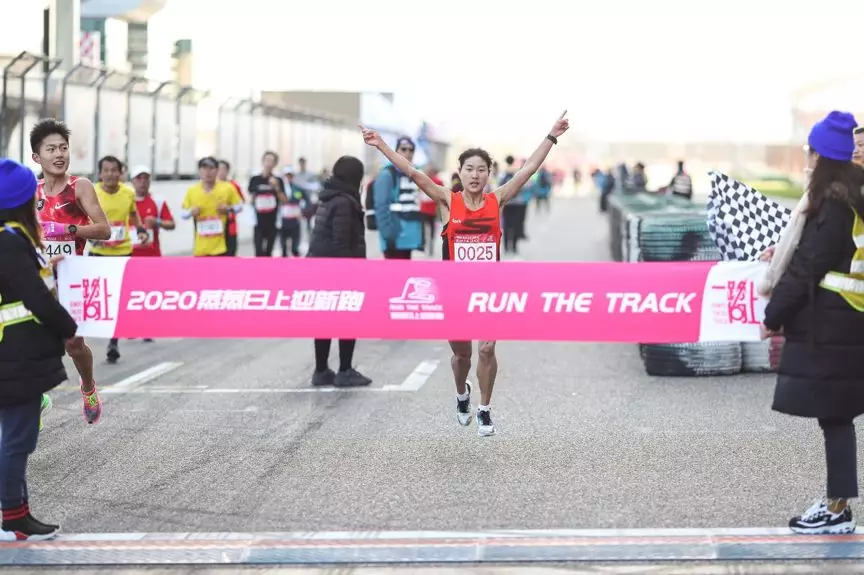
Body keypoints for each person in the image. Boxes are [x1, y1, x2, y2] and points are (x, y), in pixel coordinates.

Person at [361, 111, 569, 436]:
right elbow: (412, 172)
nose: (475, 174)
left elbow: (529, 168)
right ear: (460, 172)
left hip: (489, 291)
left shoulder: (497, 200)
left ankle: (484, 409)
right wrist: (380, 145)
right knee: (462, 356)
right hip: (455, 293)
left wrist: (552, 135)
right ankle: (462, 395)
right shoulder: (447, 200)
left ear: (488, 174)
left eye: (481, 169)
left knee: (487, 349)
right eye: (469, 168)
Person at [759, 111, 864, 534]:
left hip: (835, 323)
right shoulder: (853, 196)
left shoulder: (834, 204)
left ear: (821, 156)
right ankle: (837, 504)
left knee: (835, 415)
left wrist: (773, 316)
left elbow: (808, 266)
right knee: (837, 414)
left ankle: (837, 509)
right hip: (849, 319)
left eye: (810, 150)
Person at [0, 159, 78, 540]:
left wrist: (47, 262)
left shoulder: (12, 239)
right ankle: (12, 516)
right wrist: (69, 327)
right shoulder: (10, 242)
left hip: (14, 355)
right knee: (18, 439)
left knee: (15, 437)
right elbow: (35, 297)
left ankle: (18, 513)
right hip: (15, 356)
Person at [29, 118, 109, 425]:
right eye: (51, 149)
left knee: (73, 344)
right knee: (29, 340)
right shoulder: (31, 192)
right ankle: (35, 396)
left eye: (63, 147)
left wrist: (69, 229)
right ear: (37, 157)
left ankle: (88, 387)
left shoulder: (80, 187)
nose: (59, 154)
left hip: (73, 278)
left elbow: (104, 230)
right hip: (40, 278)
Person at [306, 156, 372, 388]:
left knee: (324, 319)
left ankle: (321, 370)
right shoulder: (345, 201)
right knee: (347, 317)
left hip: (321, 266)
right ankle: (345, 370)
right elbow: (341, 240)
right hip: (339, 269)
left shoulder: (329, 197)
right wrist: (351, 272)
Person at [91, 156, 149, 363]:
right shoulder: (92, 193)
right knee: (99, 297)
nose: (110, 174)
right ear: (100, 173)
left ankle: (113, 341)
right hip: (98, 253)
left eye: (114, 170)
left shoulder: (128, 192)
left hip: (122, 252)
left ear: (120, 172)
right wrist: (90, 235)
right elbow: (81, 218)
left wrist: (141, 230)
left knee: (117, 298)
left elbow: (133, 214)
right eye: (106, 170)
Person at [372, 136, 424, 259]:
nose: (408, 153)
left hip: (409, 238)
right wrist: (387, 235)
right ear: (396, 151)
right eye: (404, 149)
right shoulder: (386, 174)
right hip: (394, 238)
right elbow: (381, 206)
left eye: (411, 150)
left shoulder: (415, 174)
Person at [181, 157, 244, 257]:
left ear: (217, 170)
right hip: (201, 247)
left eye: (211, 168)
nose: (208, 172)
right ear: (199, 171)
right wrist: (191, 212)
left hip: (222, 246)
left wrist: (228, 209)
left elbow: (240, 206)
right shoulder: (192, 191)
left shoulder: (227, 188)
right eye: (204, 168)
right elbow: (183, 214)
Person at [249, 151, 287, 257]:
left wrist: (277, 187)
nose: (268, 163)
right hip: (258, 221)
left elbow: (284, 200)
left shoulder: (278, 180)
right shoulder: (255, 179)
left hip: (272, 221)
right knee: (258, 251)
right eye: (267, 160)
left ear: (275, 164)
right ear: (262, 161)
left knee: (268, 252)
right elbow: (250, 198)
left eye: (271, 161)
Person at [279, 166, 309, 257]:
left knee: (295, 242)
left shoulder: (297, 188)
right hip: (283, 218)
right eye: (286, 175)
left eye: (290, 175)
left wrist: (303, 211)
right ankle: (284, 254)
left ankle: (295, 253)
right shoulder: (280, 189)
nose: (288, 177)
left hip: (295, 218)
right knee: (283, 242)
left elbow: (307, 201)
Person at [217, 160, 244, 256]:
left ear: (228, 171)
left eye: (223, 169)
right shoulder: (209, 186)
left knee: (230, 251)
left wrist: (228, 208)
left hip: (230, 223)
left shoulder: (233, 185)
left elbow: (240, 203)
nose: (221, 172)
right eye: (219, 169)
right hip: (214, 225)